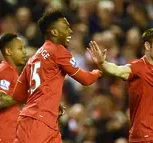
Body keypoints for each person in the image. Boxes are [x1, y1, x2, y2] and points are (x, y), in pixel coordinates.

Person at [12, 11, 102, 143]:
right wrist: (99, 69)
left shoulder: (33, 58)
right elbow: (86, 79)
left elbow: (18, 95)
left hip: (41, 121)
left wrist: (48, 101)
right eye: (66, 27)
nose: (70, 31)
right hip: (38, 124)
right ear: (54, 32)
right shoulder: (58, 51)